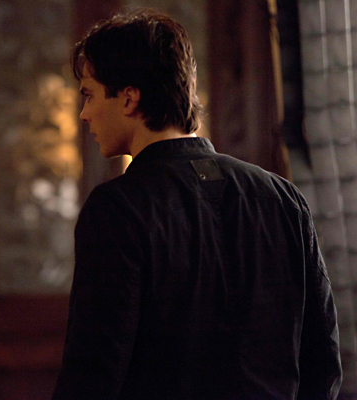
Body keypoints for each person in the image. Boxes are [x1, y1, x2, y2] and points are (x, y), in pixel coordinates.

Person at [52, 8, 342, 400]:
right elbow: (323, 363)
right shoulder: (283, 199)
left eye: (89, 94)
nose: (84, 114)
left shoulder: (117, 209)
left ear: (129, 98)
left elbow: (93, 375)